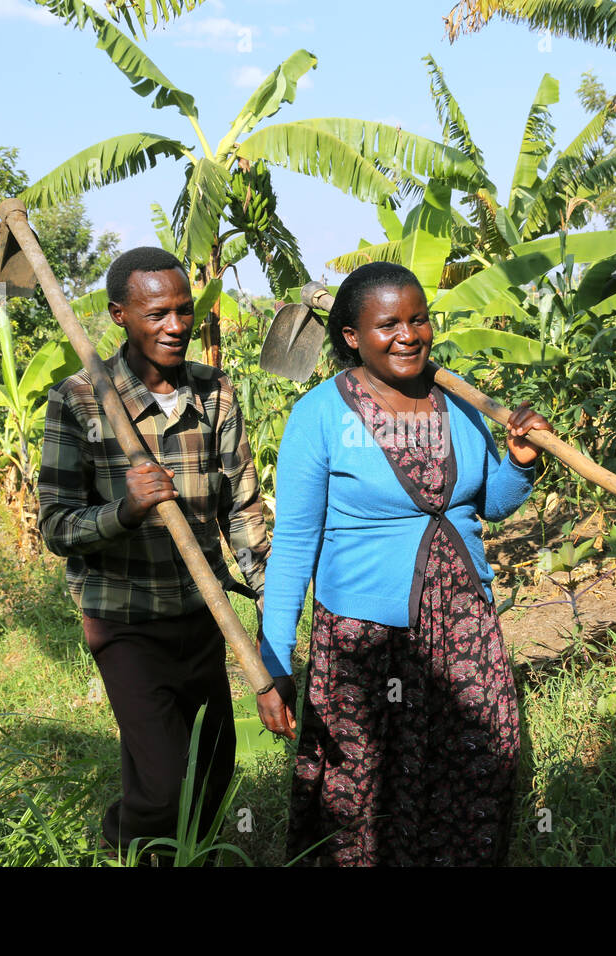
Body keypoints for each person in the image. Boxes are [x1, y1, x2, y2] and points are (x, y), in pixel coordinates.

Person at [257, 261, 553, 866]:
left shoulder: (461, 401)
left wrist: (521, 462)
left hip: (465, 626)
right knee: (365, 791)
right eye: (388, 323)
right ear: (351, 337)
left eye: (418, 319)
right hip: (366, 636)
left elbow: (484, 501)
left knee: (479, 763)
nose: (408, 335)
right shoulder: (321, 415)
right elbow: (293, 541)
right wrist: (273, 661)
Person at [37, 247, 270, 862]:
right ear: (119, 315)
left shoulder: (214, 391)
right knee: (164, 780)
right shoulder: (81, 400)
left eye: (184, 310)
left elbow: (241, 508)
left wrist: (272, 592)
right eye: (157, 313)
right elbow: (57, 526)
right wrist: (126, 510)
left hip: (203, 610)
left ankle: (186, 851)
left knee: (214, 770)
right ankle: (126, 843)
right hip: (124, 618)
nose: (176, 325)